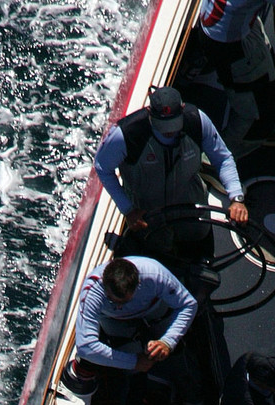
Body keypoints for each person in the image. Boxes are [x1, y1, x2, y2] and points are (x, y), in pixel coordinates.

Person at [94, 87, 245, 279]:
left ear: (182, 109)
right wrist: (128, 210)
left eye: (175, 124)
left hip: (191, 205)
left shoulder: (197, 121)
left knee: (203, 262)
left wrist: (236, 197)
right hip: (148, 215)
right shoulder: (125, 134)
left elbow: (222, 158)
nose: (170, 132)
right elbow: (102, 167)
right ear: (149, 114)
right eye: (163, 126)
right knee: (157, 264)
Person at [74, 254, 203, 405]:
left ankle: (188, 387)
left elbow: (188, 304)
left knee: (176, 354)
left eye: (126, 300)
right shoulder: (91, 292)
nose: (120, 305)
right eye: (114, 300)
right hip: (117, 324)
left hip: (155, 313)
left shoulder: (155, 273)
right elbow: (85, 347)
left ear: (138, 284)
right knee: (133, 375)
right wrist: (133, 362)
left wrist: (167, 342)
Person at [183, 0, 275, 158]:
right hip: (230, 43)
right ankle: (216, 159)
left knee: (271, 78)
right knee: (251, 110)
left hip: (234, 24)